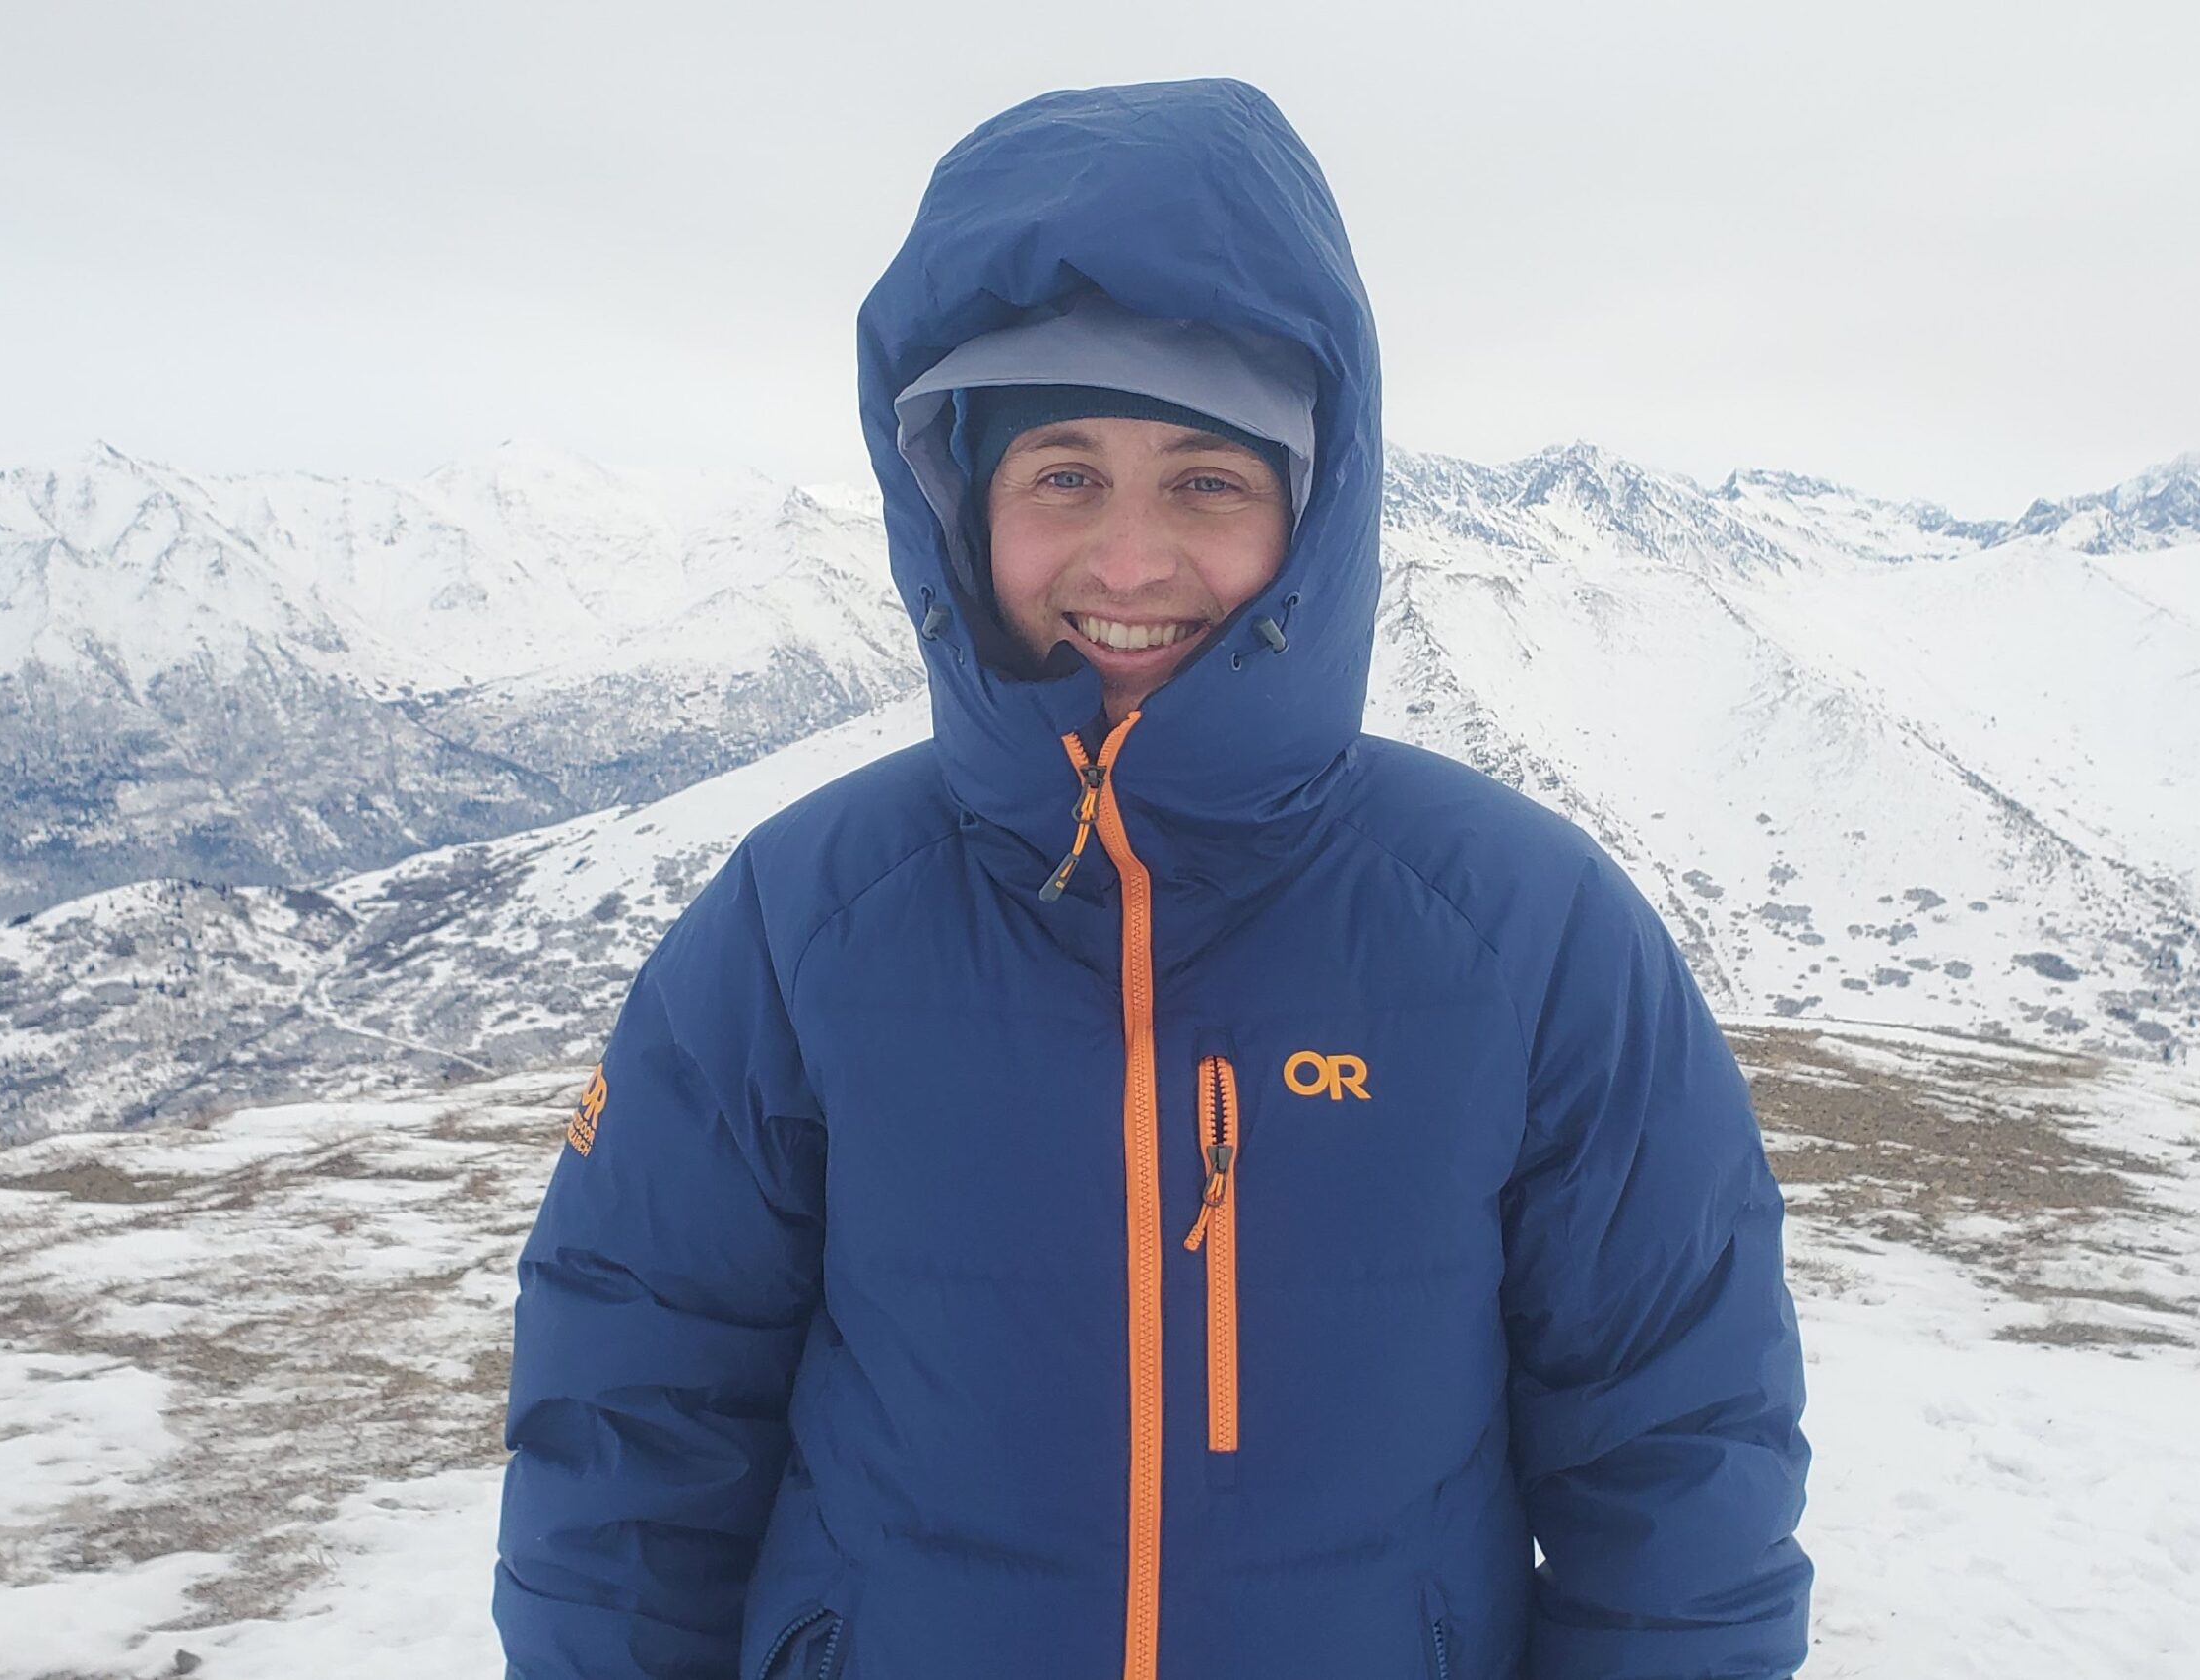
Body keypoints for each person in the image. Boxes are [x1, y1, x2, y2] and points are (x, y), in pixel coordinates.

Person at [493, 77, 1811, 1680]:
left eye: (1206, 479)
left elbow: (1678, 1458)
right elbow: (629, 1436)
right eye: (1063, 475)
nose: (1128, 563)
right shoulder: (797, 922)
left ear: (1311, 516)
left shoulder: (1526, 934)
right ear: (961, 510)